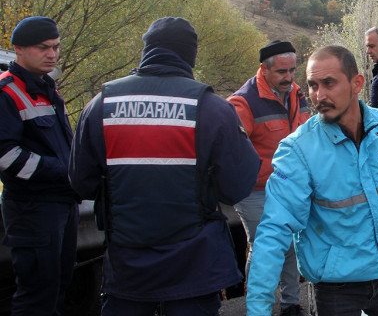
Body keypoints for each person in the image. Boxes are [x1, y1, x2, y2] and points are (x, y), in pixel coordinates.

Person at [69, 17, 260, 316]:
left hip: (127, 270)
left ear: (147, 50)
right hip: (194, 270)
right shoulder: (213, 108)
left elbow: (81, 183)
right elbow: (237, 187)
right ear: (190, 54)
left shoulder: (100, 104)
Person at [246, 45, 378, 316]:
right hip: (335, 287)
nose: (319, 95)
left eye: (329, 83)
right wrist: (258, 307)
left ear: (357, 83)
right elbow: (273, 231)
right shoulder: (299, 150)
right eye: (313, 85)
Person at [0, 16, 78, 315]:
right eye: (43, 48)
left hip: (62, 203)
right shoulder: (7, 92)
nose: (52, 54)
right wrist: (63, 171)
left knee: (59, 285)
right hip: (32, 208)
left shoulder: (47, 88)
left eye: (56, 47)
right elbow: (6, 155)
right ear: (19, 49)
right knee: (37, 295)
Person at [227, 40, 310, 316]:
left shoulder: (298, 94)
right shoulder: (243, 102)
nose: (288, 78)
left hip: (292, 187)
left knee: (292, 244)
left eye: (292, 71)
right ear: (264, 69)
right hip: (256, 190)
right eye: (282, 72)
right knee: (265, 246)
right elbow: (231, 150)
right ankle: (256, 303)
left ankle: (290, 304)